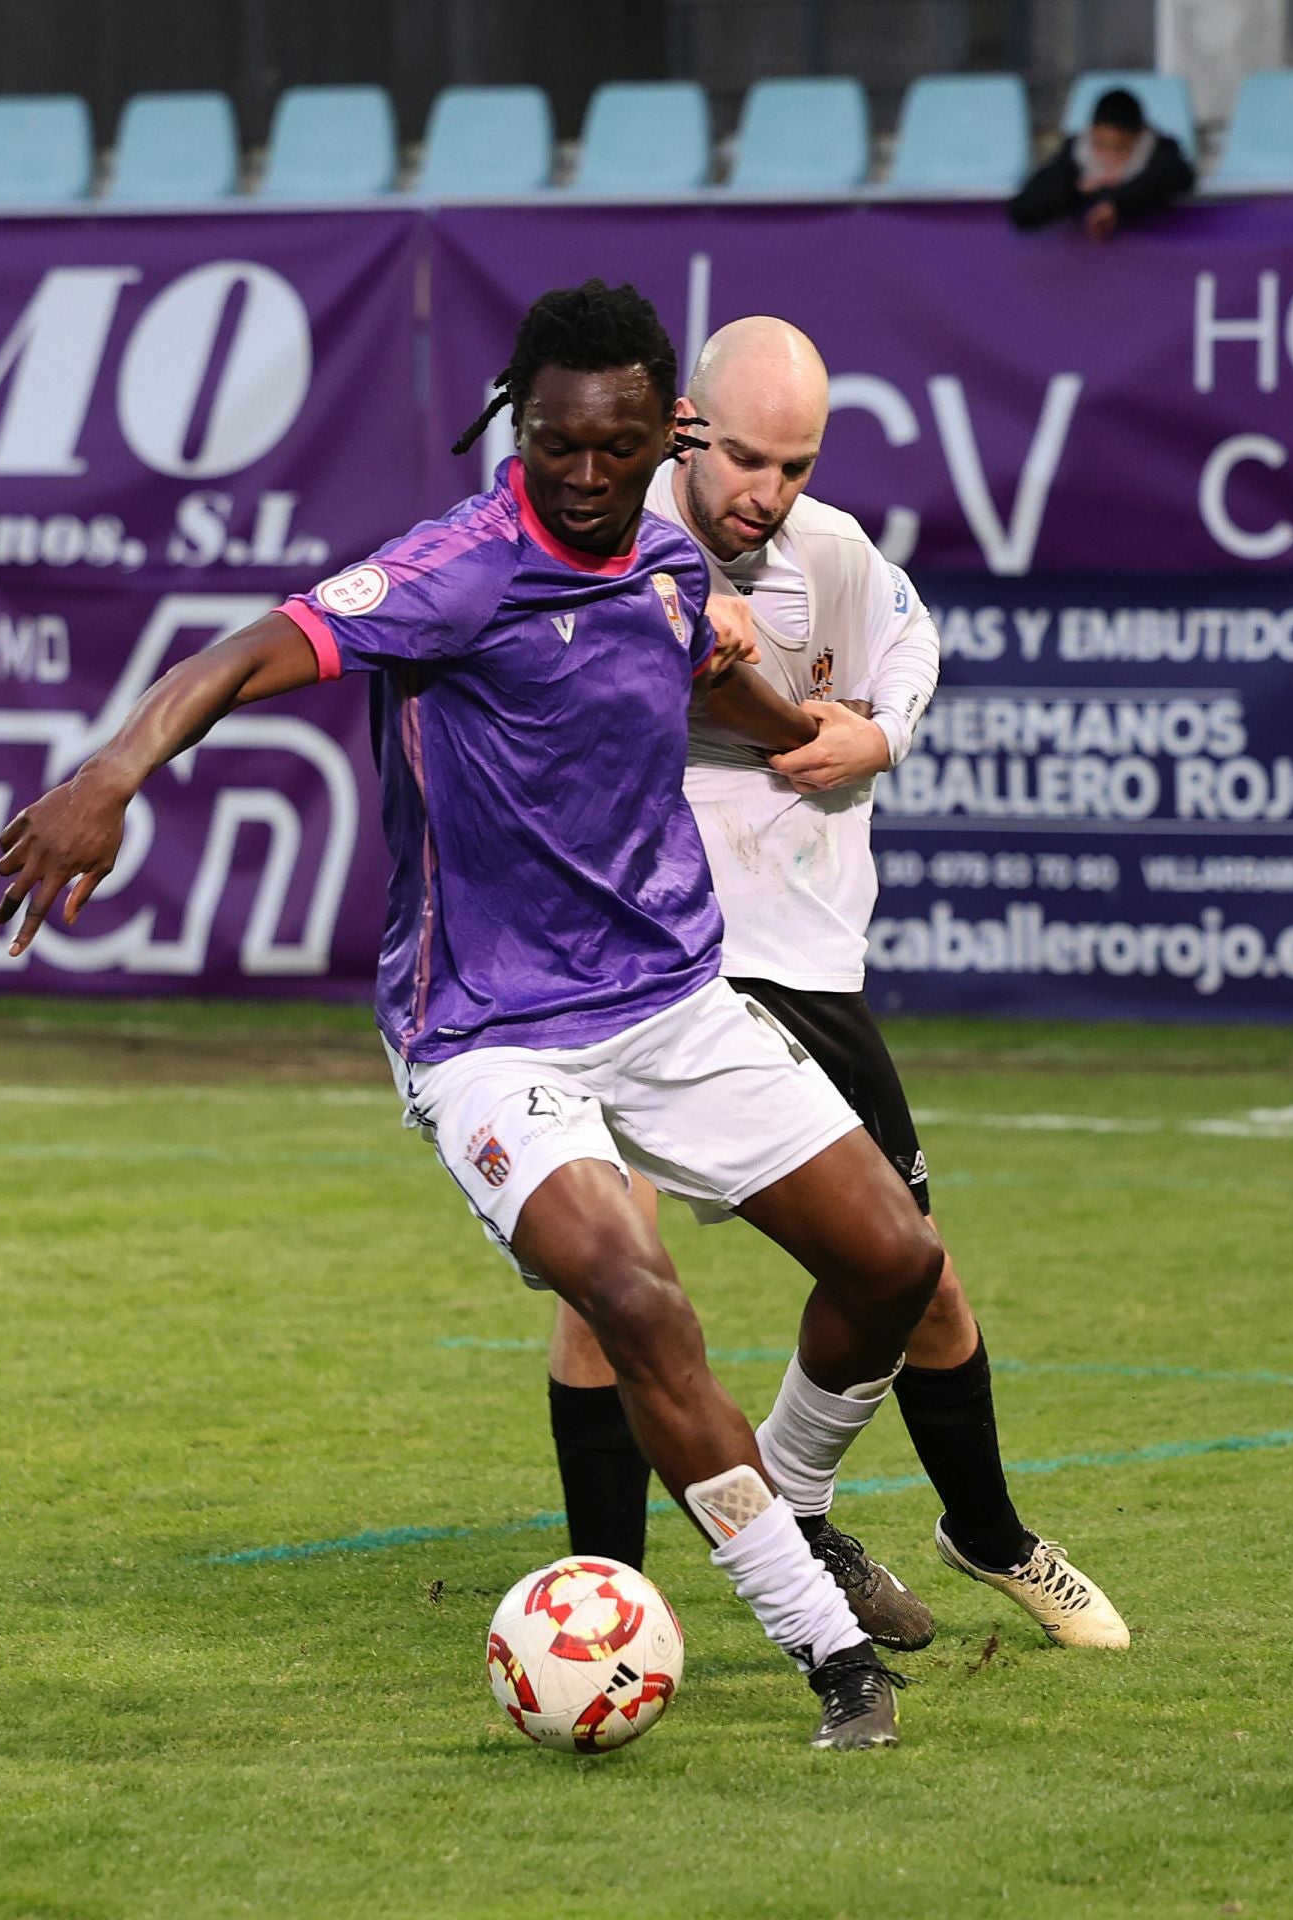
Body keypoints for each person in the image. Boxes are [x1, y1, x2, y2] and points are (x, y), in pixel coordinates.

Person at [0, 280, 955, 1751]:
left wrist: (801, 735)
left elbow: (705, 665)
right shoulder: (458, 568)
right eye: (556, 441)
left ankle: (793, 1502)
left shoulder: (664, 560)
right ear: (524, 422)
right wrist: (115, 773)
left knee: (893, 1264)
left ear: (665, 435)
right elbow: (244, 654)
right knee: (631, 1293)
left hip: (672, 998)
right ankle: (830, 1656)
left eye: (614, 446)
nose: (581, 472)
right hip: (491, 1031)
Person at [547, 316, 1128, 1653]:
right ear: (686, 424)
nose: (768, 491)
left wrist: (879, 729)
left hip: (801, 960)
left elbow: (910, 644)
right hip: (632, 960)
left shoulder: (830, 557)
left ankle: (943, 1525)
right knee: (606, 1281)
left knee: (914, 1281)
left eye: (796, 465)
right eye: (747, 457)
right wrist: (670, 605)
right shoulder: (599, 533)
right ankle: (609, 1603)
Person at [1009, 86, 1195, 240]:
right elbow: (1023, 210)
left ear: (1141, 138)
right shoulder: (1075, 157)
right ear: (1090, 134)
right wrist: (1074, 190)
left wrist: (1117, 205)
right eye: (1100, 145)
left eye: (1120, 148)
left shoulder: (1163, 157)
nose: (1108, 156)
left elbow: (1177, 175)